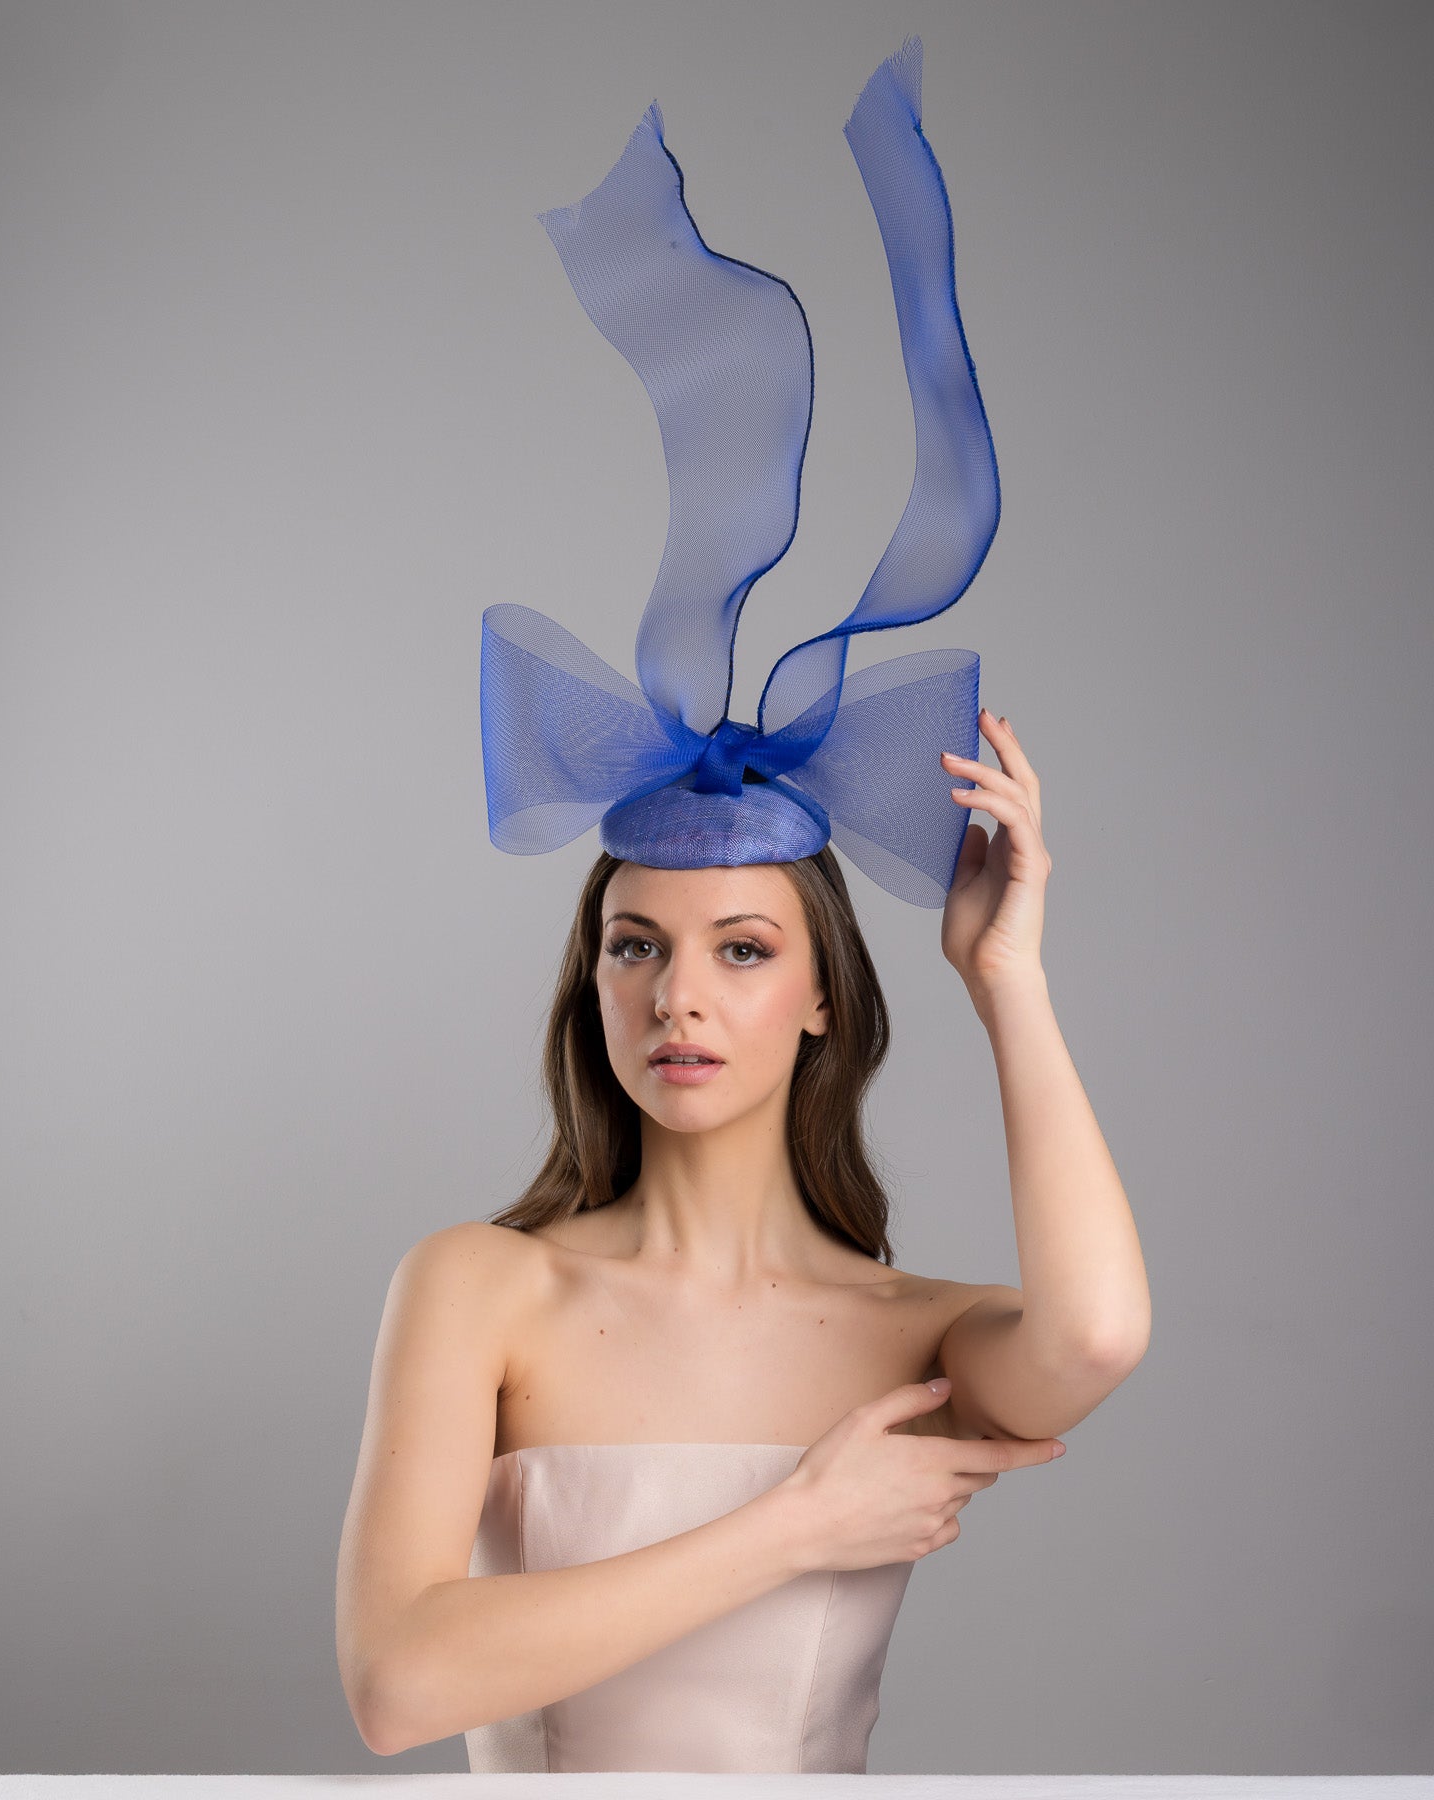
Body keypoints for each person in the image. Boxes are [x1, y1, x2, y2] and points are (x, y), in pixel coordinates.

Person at [335, 38, 1150, 1774]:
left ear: (821, 996)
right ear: (593, 982)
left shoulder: (903, 1333)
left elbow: (1095, 1333)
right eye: (635, 946)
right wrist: (800, 1523)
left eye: (744, 949)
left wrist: (1008, 978)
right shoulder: (479, 1288)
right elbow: (399, 1686)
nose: (678, 997)